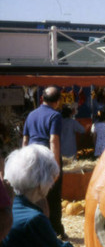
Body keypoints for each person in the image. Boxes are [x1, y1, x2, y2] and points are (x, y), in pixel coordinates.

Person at [0, 144, 105, 247]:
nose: (52, 185)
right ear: (42, 183)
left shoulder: (13, 207)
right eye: (52, 178)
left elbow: (53, 242)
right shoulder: (34, 219)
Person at [22, 86, 66, 239]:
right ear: (58, 101)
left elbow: (25, 140)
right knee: (52, 194)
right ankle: (55, 229)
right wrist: (56, 166)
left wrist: (24, 160)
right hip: (47, 157)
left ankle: (34, 228)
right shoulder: (55, 116)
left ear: (41, 99)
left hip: (31, 156)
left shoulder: (31, 115)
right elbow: (54, 139)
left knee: (33, 194)